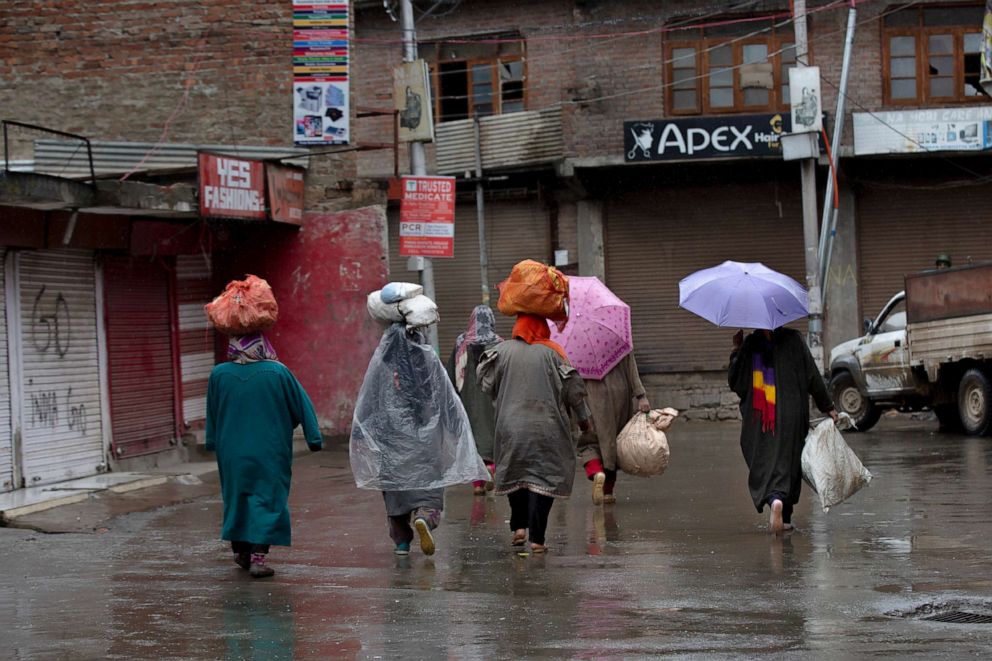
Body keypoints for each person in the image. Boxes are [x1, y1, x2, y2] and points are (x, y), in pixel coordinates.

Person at [351, 321, 488, 557]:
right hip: (426, 443)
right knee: (428, 491)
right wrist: (456, 431)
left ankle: (401, 542)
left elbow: (367, 404)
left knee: (396, 494)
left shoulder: (381, 367)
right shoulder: (428, 365)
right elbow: (447, 401)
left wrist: (360, 435)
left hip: (391, 445)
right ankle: (425, 516)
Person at [206, 331, 322, 578]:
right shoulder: (278, 372)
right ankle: (259, 556)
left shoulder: (219, 374)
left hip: (231, 453)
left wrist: (212, 441)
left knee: (237, 499)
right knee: (267, 500)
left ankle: (241, 552)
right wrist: (314, 439)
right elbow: (303, 405)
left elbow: (213, 412)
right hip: (270, 450)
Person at [478, 312, 591, 554]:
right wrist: (584, 420)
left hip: (510, 427)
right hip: (546, 427)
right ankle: (537, 539)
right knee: (543, 480)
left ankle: (519, 526)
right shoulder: (554, 354)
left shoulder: (502, 351)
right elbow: (574, 390)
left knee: (516, 473)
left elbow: (486, 385)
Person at [728, 327, 837, 533]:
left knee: (763, 459)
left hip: (760, 416)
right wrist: (827, 405)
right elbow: (812, 375)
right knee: (789, 461)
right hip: (791, 413)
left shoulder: (751, 344)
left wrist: (736, 348)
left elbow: (737, 383)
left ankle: (773, 499)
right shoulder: (794, 339)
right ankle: (784, 516)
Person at [578, 352, 651, 505]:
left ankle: (596, 472)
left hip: (591, 393)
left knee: (589, 441)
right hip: (620, 392)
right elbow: (632, 368)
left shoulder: (575, 344)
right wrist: (641, 395)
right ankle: (608, 492)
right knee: (614, 442)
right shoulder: (617, 338)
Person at [446, 305, 502, 496]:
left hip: (468, 402)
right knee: (491, 439)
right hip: (492, 401)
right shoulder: (499, 344)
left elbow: (451, 376)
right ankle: (491, 468)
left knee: (472, 441)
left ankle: (478, 484)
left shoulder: (461, 344)